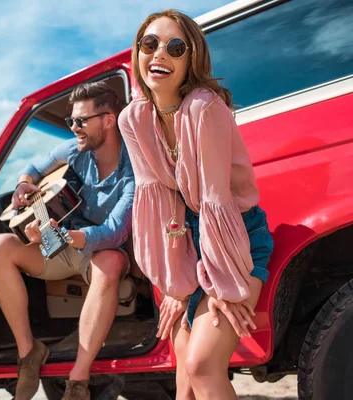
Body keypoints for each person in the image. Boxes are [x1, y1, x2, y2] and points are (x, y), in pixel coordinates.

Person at [118, 10, 274, 400]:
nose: (160, 55)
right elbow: (158, 205)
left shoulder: (205, 109)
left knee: (202, 364)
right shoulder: (133, 119)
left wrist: (221, 282)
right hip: (186, 245)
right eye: (150, 44)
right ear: (137, 52)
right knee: (184, 381)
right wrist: (175, 287)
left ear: (191, 60)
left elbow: (215, 203)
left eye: (175, 47)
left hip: (235, 241)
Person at [0, 81, 134, 400]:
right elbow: (34, 168)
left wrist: (63, 236)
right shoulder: (75, 150)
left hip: (97, 250)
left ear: (108, 120)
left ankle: (78, 379)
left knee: (110, 261)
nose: (74, 127)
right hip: (61, 242)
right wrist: (24, 186)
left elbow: (115, 232)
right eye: (71, 121)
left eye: (81, 120)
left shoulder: (132, 170)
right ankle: (29, 353)